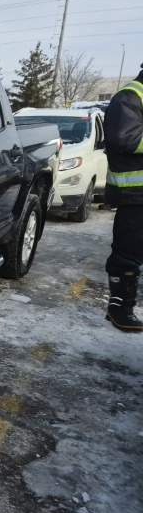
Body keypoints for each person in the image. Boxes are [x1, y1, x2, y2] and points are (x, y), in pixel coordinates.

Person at [104, 63, 143, 332]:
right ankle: (120, 307)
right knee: (128, 253)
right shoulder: (130, 97)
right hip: (136, 194)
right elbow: (124, 139)